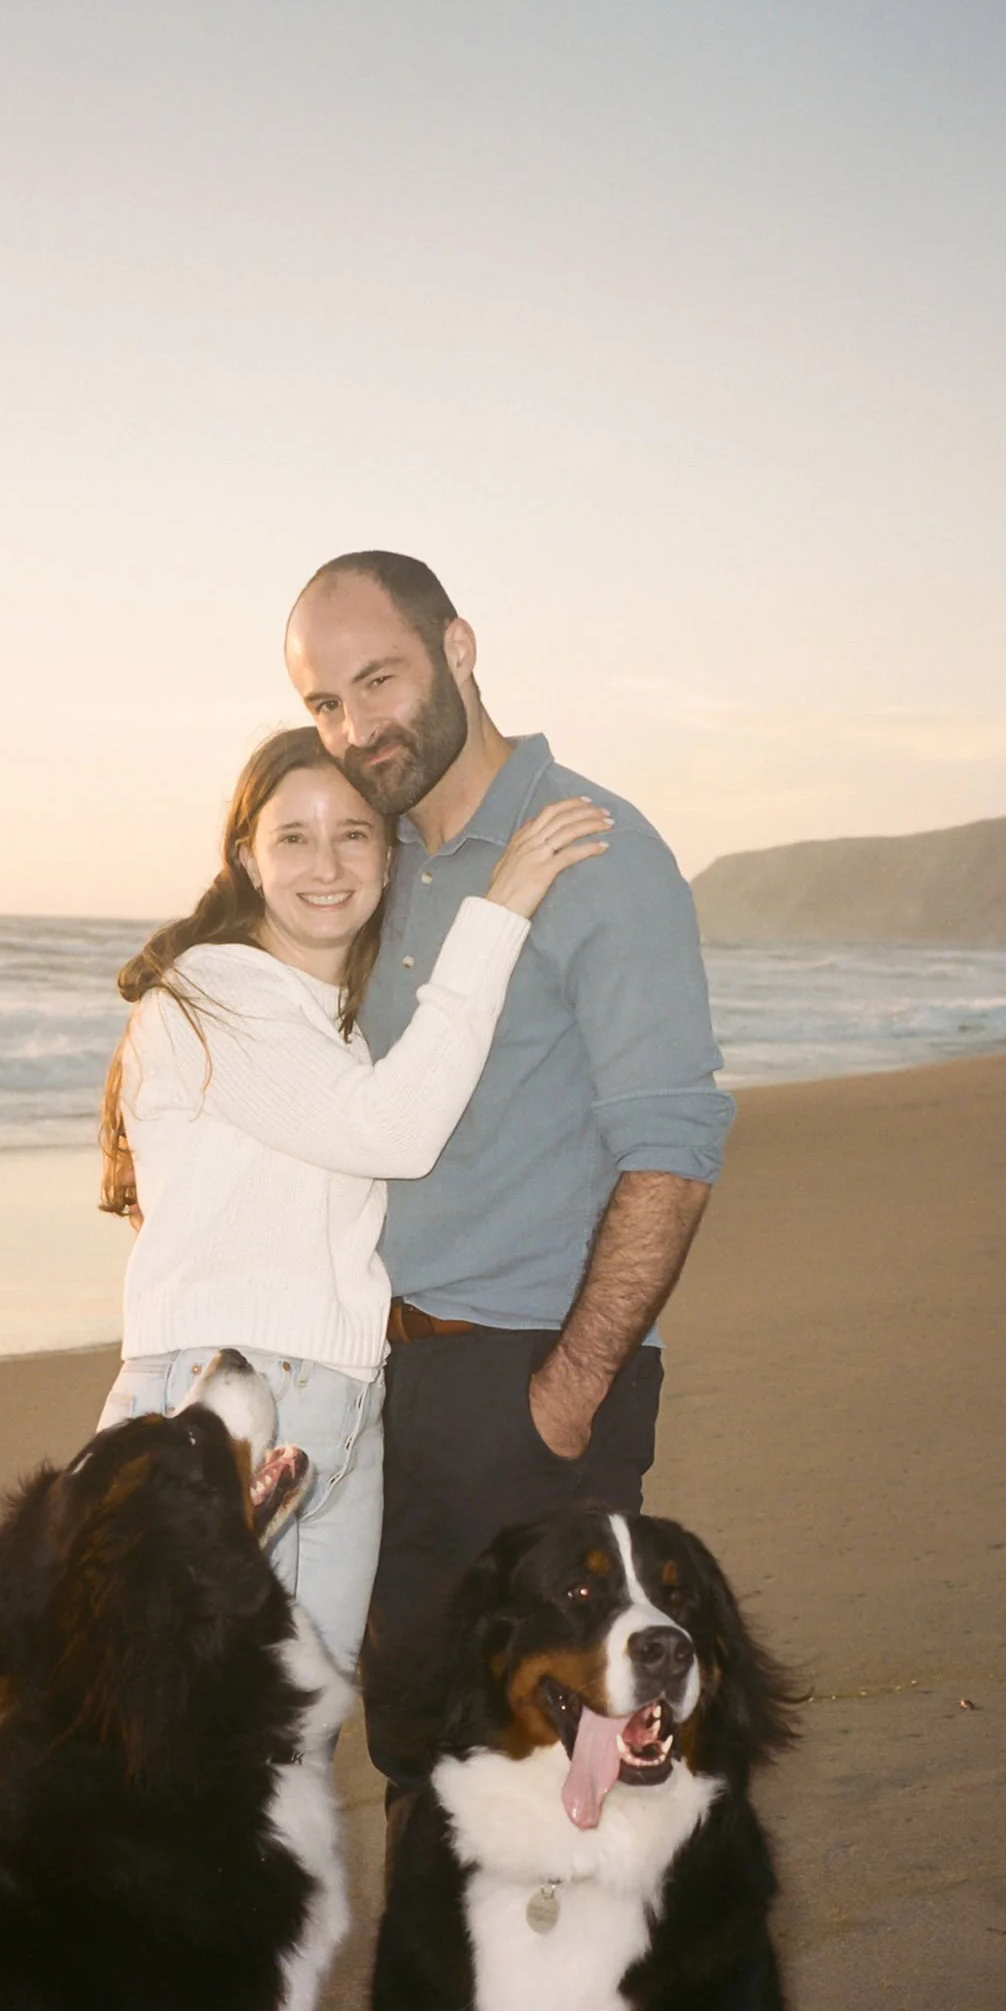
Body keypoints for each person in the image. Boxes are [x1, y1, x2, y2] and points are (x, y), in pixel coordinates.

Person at [97, 722, 609, 2011]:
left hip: (332, 1413)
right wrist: (505, 902)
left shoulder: (323, 1012)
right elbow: (400, 1129)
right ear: (243, 850)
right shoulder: (214, 995)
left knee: (269, 1808)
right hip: (215, 1418)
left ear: (386, 862)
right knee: (189, 1811)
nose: (326, 863)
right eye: (294, 833)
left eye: (356, 838)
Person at [284, 551, 734, 1789]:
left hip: (525, 1379)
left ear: (459, 648)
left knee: (547, 1782)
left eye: (378, 680)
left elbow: (674, 1145)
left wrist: (568, 1388)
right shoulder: (373, 862)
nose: (356, 726)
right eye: (325, 703)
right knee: (421, 1755)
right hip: (385, 1380)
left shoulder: (596, 848)